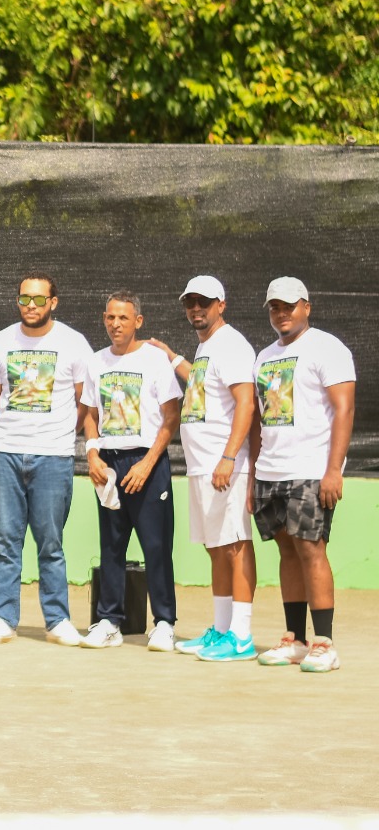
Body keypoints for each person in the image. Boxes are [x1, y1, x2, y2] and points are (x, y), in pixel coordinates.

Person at [0, 274, 93, 647]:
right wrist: (16, 429)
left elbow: (84, 401)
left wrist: (56, 434)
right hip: (7, 452)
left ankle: (57, 620)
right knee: (6, 543)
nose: (31, 306)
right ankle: (4, 620)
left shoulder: (74, 343)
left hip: (54, 457)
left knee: (50, 543)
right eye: (24, 299)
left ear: (53, 302)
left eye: (39, 300)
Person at [145, 276, 260, 661]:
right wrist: (173, 356)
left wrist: (229, 458)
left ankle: (241, 637)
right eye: (190, 302)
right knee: (216, 549)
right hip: (202, 468)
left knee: (236, 546)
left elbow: (246, 402)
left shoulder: (232, 343)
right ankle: (222, 629)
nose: (197, 308)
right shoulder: (208, 347)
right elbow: (204, 383)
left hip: (225, 465)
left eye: (204, 302)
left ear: (221, 304)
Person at [249, 277, 355, 673]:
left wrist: (333, 470)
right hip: (269, 472)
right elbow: (259, 421)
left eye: (289, 306)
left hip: (311, 471)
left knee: (312, 549)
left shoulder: (328, 347)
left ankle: (324, 643)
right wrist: (252, 475)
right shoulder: (263, 356)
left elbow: (344, 410)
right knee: (287, 551)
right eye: (275, 307)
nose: (282, 313)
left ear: (306, 307)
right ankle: (295, 639)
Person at [79, 291, 182, 652]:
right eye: (110, 317)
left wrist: (147, 462)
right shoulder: (95, 362)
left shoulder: (155, 360)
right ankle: (109, 621)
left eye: (123, 318)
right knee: (111, 546)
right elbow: (90, 414)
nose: (115, 324)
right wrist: (92, 455)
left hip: (147, 464)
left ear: (138, 321)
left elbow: (172, 417)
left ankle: (164, 623)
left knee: (156, 547)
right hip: (109, 464)